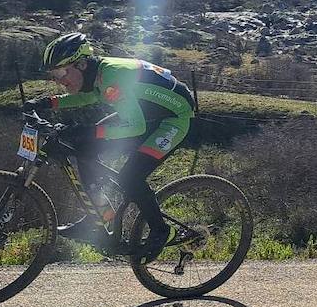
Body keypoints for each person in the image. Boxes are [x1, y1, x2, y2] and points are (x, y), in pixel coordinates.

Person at [27, 32, 195, 261]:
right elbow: (87, 97)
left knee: (130, 177)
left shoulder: (113, 76)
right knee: (85, 149)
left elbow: (133, 127)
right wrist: (46, 103)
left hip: (173, 118)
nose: (58, 80)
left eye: (61, 73)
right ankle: (100, 212)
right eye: (54, 75)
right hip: (144, 114)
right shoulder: (98, 74)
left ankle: (161, 230)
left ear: (82, 64)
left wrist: (89, 131)